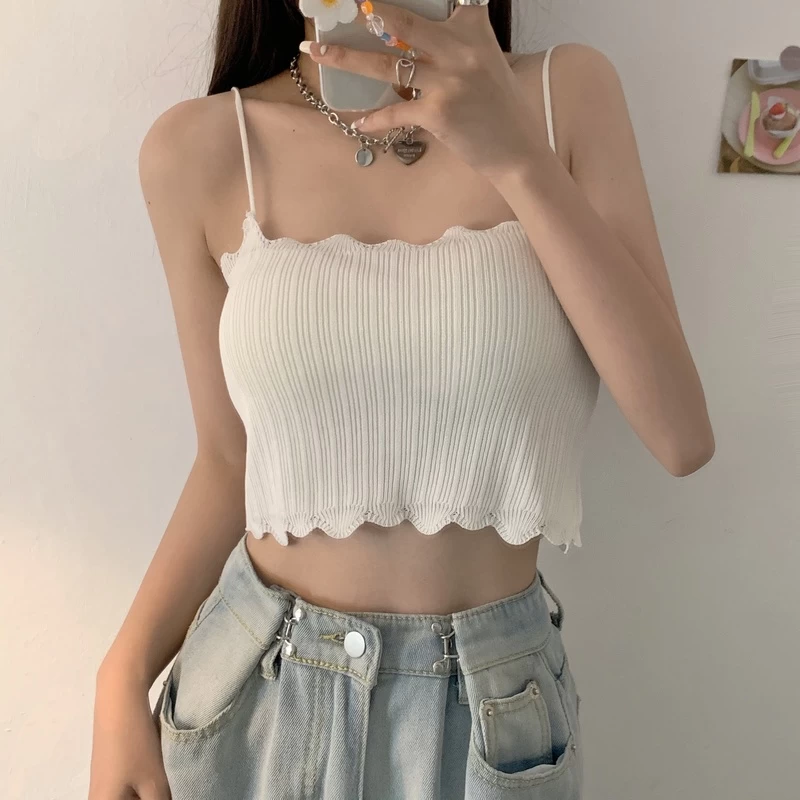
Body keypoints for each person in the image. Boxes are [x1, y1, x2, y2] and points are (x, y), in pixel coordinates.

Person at [89, 1, 715, 798]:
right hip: (256, 696)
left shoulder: (567, 95)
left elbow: (680, 436)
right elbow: (227, 459)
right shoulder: (201, 146)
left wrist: (516, 156)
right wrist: (121, 675)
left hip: (491, 712)